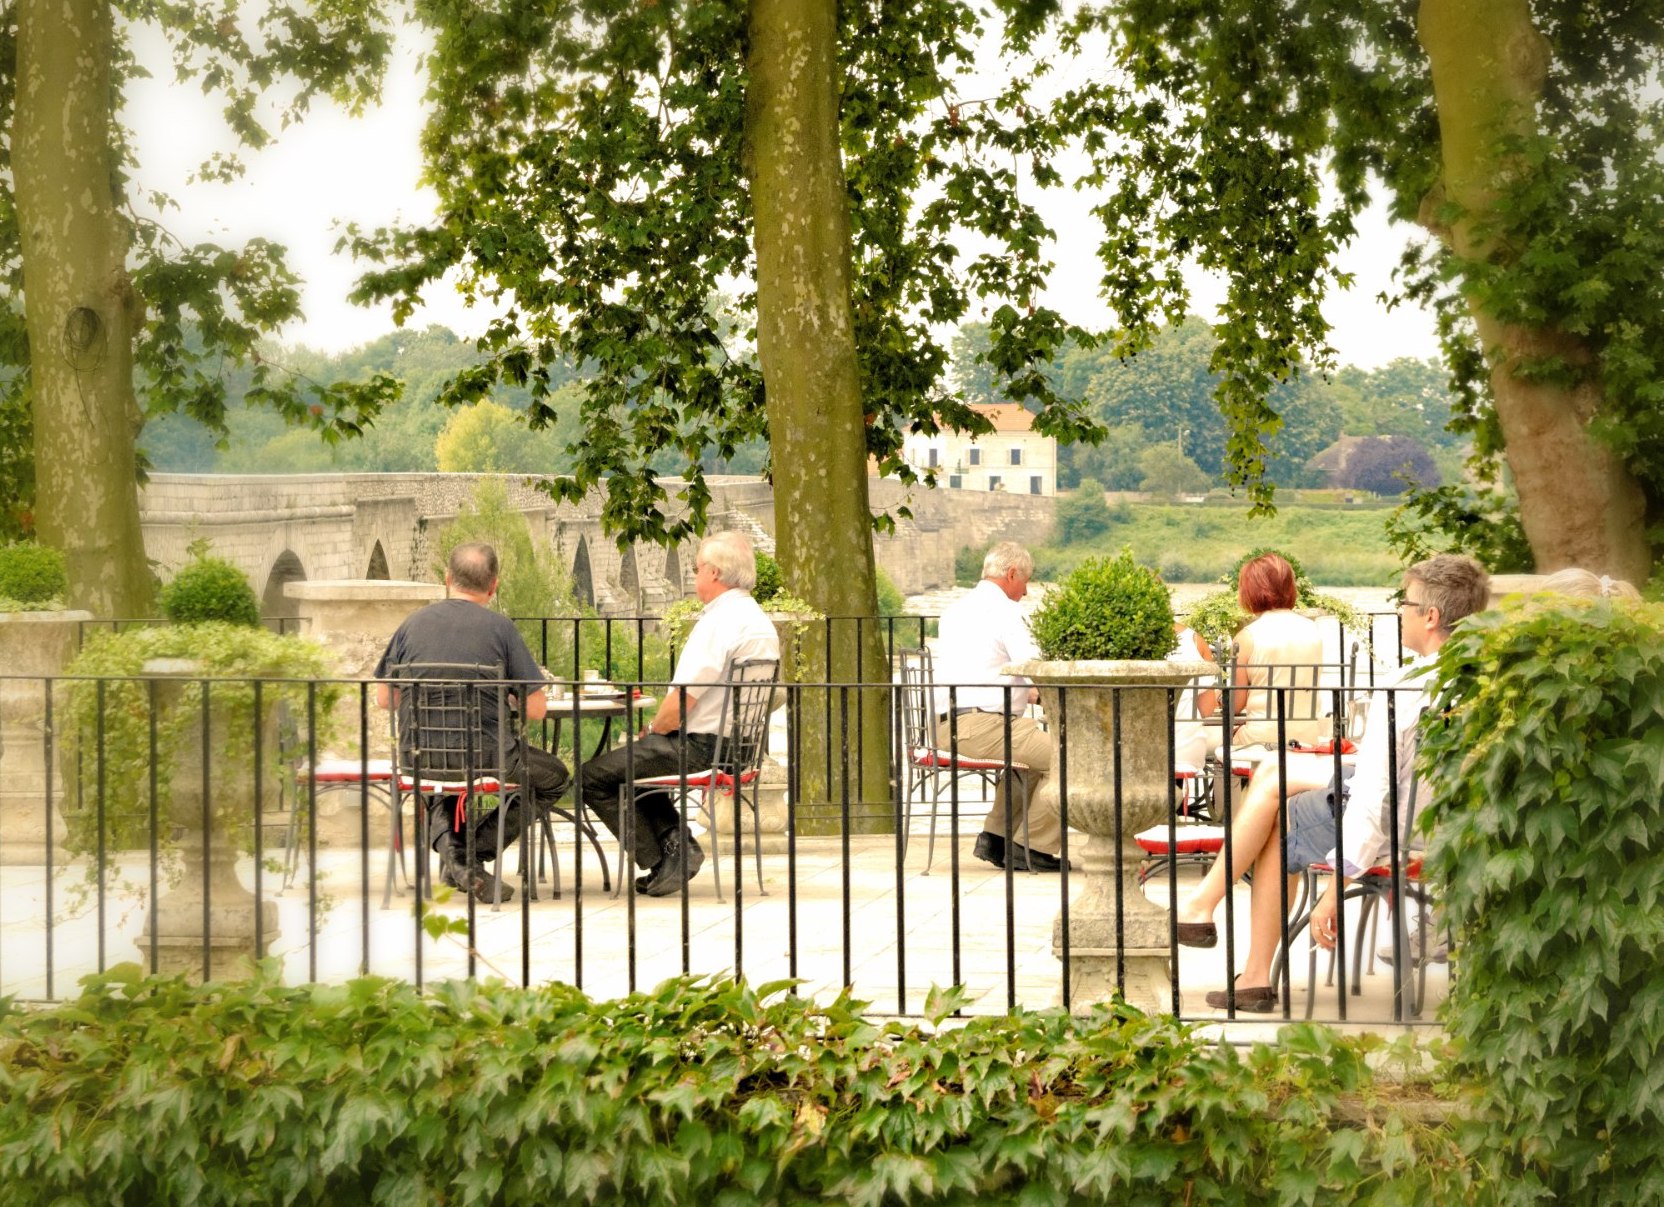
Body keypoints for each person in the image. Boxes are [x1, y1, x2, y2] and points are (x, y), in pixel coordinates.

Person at [1171, 553, 1490, 1011]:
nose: (1400, 609)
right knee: (1275, 772)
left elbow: (1377, 798)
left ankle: (1250, 971)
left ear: (1432, 616)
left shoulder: (1405, 686)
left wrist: (1336, 887)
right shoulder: (1489, 679)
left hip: (1406, 824)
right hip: (1451, 819)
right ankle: (1204, 910)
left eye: (1405, 601)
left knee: (1276, 818)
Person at [578, 530, 780, 897]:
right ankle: (675, 847)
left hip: (704, 747)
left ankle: (669, 855)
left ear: (714, 573)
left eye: (697, 567)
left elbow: (679, 704)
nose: (694, 574)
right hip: (741, 748)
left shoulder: (718, 623)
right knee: (635, 766)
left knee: (592, 777)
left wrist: (653, 729)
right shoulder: (756, 620)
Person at [375, 542, 572, 902]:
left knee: (439, 781)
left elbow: (386, 698)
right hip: (488, 755)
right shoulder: (500, 629)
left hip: (419, 756)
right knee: (554, 778)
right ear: (493, 585)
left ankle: (457, 856)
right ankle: (471, 853)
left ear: (447, 579)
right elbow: (537, 710)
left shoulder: (412, 624)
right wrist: (507, 696)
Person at [932, 541, 1059, 872]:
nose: (1026, 591)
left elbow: (981, 668)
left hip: (947, 725)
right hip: (984, 726)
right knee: (1074, 760)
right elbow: (1034, 668)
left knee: (1029, 761)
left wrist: (1026, 694)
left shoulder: (954, 610)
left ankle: (996, 838)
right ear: (1012, 573)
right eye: (1025, 581)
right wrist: (1055, 697)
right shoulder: (1007, 612)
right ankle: (1033, 847)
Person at [1227, 553, 1327, 747]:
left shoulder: (1247, 637)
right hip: (1307, 737)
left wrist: (1220, 699)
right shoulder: (1313, 630)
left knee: (1216, 743)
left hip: (1261, 739)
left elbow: (1235, 705)